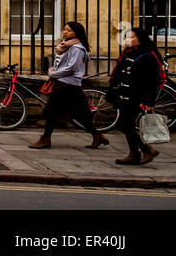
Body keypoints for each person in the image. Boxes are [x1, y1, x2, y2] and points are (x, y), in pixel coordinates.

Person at [28, 21, 108, 150]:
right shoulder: (66, 46)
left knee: (52, 111)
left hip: (68, 84)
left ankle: (45, 139)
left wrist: (54, 74)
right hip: (66, 83)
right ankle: (97, 136)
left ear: (77, 33)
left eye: (69, 30)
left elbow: (72, 67)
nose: (65, 32)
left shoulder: (77, 48)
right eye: (64, 29)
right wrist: (53, 69)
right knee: (80, 113)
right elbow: (62, 64)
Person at [108, 26, 163, 165]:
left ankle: (144, 150)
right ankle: (135, 153)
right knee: (125, 124)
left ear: (141, 39)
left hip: (137, 97)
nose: (128, 40)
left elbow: (151, 82)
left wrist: (149, 102)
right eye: (127, 37)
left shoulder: (147, 55)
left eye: (132, 37)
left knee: (124, 124)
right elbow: (120, 73)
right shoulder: (129, 53)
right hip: (125, 95)